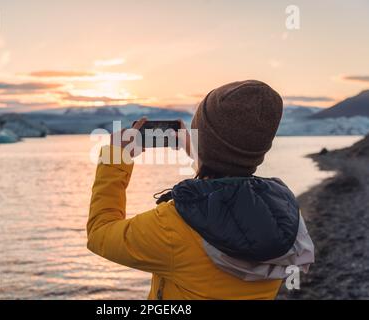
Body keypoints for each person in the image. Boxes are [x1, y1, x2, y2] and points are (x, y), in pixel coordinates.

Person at [87, 80, 314, 300]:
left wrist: (115, 158)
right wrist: (199, 150)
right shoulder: (285, 212)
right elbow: (229, 175)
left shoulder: (173, 227)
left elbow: (100, 233)